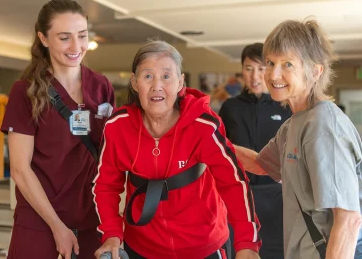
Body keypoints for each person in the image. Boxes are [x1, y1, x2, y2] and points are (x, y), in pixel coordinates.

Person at [93, 40, 261, 259]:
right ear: (134, 83)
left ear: (180, 82)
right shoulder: (117, 127)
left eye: (166, 76)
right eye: (147, 76)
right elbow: (105, 186)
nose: (157, 86)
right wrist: (111, 234)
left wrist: (246, 243)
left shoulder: (203, 126)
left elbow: (233, 183)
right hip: (142, 248)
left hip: (203, 246)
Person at [234, 19, 362, 259]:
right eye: (270, 63)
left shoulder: (323, 125)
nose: (273, 74)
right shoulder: (293, 124)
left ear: (315, 71)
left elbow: (348, 219)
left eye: (287, 64)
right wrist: (210, 141)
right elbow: (259, 164)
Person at [1, 0, 115, 259]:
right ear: (43, 38)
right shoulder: (26, 91)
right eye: (65, 38)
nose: (77, 47)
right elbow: (20, 169)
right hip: (39, 221)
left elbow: (111, 153)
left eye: (82, 36)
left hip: (91, 220)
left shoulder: (101, 86)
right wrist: (57, 226)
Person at [219, 43, 292, 259]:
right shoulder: (230, 107)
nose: (255, 76)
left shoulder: (284, 106)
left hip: (276, 194)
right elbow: (220, 150)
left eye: (261, 68)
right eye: (249, 68)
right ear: (242, 70)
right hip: (239, 194)